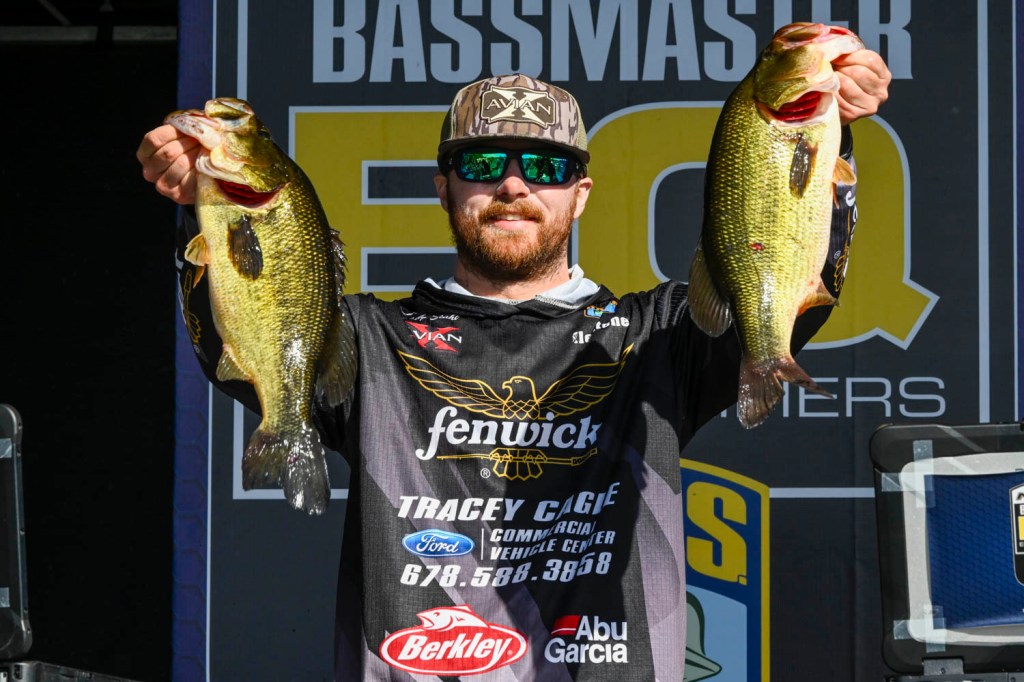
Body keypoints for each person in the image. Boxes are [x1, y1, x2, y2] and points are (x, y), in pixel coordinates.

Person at [138, 35, 890, 681]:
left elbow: (791, 274)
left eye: (546, 167)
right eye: (484, 162)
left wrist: (829, 129)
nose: (513, 184)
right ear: (443, 189)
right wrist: (201, 203)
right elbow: (242, 328)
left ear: (581, 195)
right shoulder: (367, 340)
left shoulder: (658, 338)